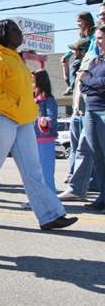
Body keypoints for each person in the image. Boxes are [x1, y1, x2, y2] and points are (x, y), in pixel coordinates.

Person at [0, 19, 77, 231]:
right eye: (14, 30)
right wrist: (14, 107)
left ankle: (50, 216)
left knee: (33, 168)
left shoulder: (15, 57)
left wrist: (24, 109)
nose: (20, 33)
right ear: (2, 34)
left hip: (22, 119)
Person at [58, 38, 96, 201]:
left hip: (92, 110)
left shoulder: (94, 60)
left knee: (87, 150)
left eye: (75, 49)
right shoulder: (81, 64)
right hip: (80, 111)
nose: (73, 52)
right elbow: (73, 85)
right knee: (81, 150)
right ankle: (78, 187)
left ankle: (81, 187)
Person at [78, 24, 105, 212]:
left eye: (101, 38)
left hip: (103, 111)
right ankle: (102, 198)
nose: (98, 42)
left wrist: (88, 80)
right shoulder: (96, 62)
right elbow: (83, 86)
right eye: (96, 38)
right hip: (90, 111)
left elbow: (99, 82)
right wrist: (90, 82)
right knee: (97, 157)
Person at [32, 69, 58, 194]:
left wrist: (45, 121)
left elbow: (52, 119)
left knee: (46, 172)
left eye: (33, 82)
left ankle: (50, 199)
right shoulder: (31, 100)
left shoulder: (49, 100)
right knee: (34, 173)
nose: (30, 85)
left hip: (45, 140)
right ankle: (38, 200)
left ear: (41, 82)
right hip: (32, 140)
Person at [60, 12, 96, 94]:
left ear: (86, 21)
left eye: (79, 21)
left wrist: (87, 55)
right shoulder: (83, 34)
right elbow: (77, 46)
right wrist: (67, 56)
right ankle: (73, 85)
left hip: (89, 56)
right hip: (84, 55)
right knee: (74, 66)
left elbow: (93, 45)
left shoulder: (93, 32)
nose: (78, 24)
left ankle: (74, 86)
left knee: (75, 65)